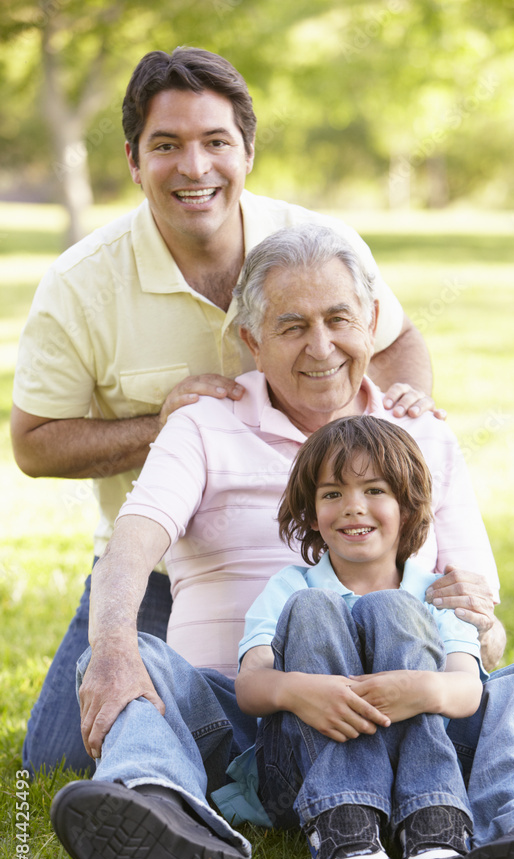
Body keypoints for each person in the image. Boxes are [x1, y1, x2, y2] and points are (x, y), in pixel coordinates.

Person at [50, 224, 514, 859]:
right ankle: (164, 812)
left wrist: (475, 631)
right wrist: (111, 645)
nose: (320, 347)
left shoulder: (422, 434)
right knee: (140, 660)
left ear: (372, 323)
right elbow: (132, 541)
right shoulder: (203, 424)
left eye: (338, 319)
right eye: (291, 326)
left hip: (415, 722)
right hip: (252, 726)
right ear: (252, 342)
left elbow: (482, 627)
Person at [12, 46, 438, 775]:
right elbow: (34, 445)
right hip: (164, 563)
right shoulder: (81, 285)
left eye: (215, 142)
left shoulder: (314, 248)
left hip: (334, 547)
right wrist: (160, 426)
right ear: (132, 159)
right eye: (166, 145)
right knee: (59, 755)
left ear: (246, 151)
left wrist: (397, 420)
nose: (195, 167)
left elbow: (395, 339)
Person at [235, 414, 485, 859]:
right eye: (332, 494)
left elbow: (467, 687)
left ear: (408, 509)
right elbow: (249, 685)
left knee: (393, 607)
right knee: (312, 607)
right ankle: (343, 827)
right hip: (302, 780)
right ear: (311, 514)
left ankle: (433, 821)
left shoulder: (437, 593)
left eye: (374, 490)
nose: (353, 507)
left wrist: (422, 688)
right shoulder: (290, 587)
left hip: (416, 771)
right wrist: (298, 689)